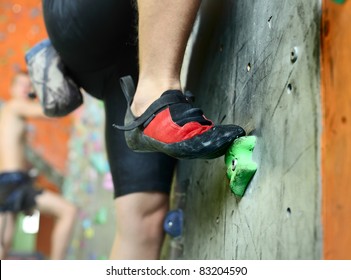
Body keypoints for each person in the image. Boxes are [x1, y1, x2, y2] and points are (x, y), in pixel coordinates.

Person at [37, 0, 245, 259]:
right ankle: (155, 92)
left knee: (143, 222)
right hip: (89, 15)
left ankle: (149, 99)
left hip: (107, 49)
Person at [0, 71, 77, 260]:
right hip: (11, 183)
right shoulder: (15, 106)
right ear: (11, 88)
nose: (26, 89)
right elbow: (48, 111)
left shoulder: (11, 115)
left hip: (12, 182)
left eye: (29, 85)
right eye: (21, 84)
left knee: (4, 244)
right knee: (68, 211)